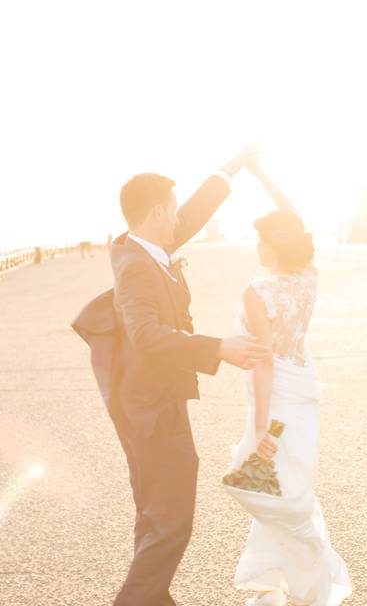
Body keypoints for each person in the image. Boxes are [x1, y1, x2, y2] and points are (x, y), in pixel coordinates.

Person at [72, 146, 271, 605]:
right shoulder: (140, 267)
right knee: (173, 521)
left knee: (154, 515)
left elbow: (196, 212)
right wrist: (219, 347)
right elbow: (146, 336)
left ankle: (153, 599)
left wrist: (231, 168)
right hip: (152, 410)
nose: (180, 218)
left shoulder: (144, 248)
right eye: (174, 211)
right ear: (159, 212)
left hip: (146, 401)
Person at [225, 154, 352, 606]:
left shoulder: (258, 291)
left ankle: (312, 571)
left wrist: (260, 426)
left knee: (258, 482)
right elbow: (293, 215)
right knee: (288, 482)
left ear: (273, 245)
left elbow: (262, 362)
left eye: (260, 240)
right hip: (304, 391)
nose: (256, 247)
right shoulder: (307, 278)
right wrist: (262, 176)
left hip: (277, 398)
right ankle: (294, 582)